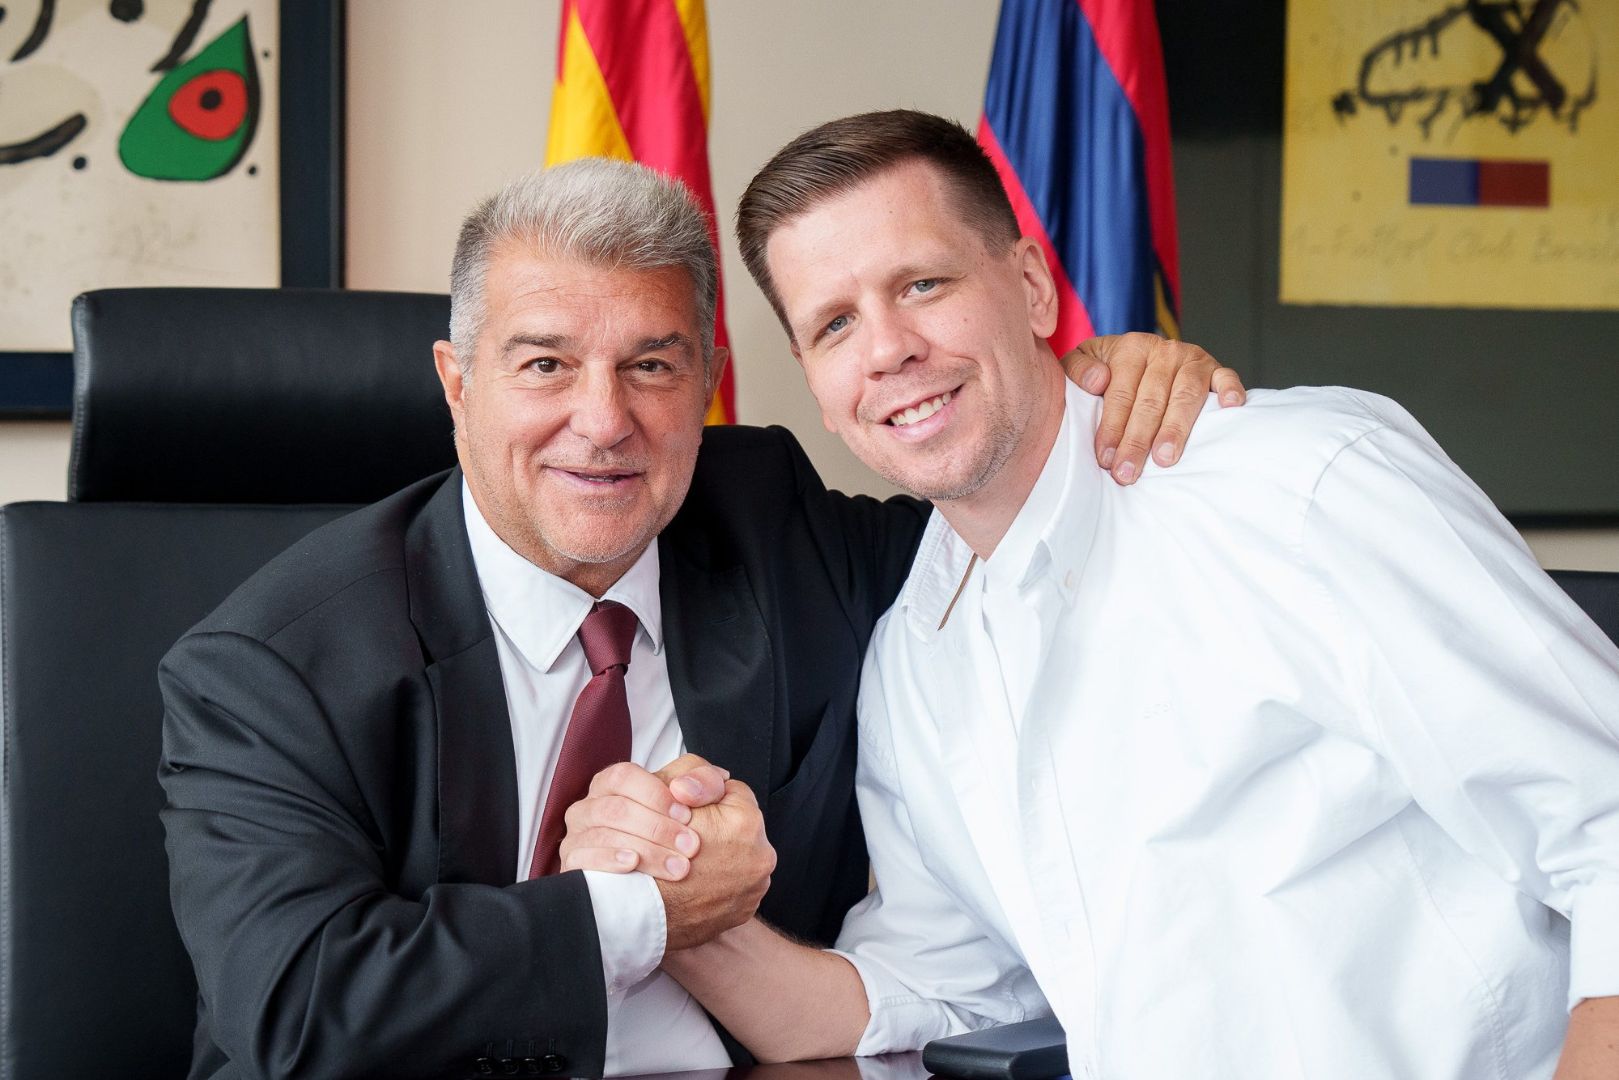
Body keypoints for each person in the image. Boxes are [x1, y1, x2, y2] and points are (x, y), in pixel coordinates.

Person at [567, 111, 1619, 1080]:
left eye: (921, 285)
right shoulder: (916, 655)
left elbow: (1605, 826)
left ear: (1028, 286)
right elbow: (929, 989)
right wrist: (671, 893)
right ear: (814, 383)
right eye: (836, 323)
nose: (887, 348)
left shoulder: (1299, 489)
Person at [156, 157, 1241, 1079]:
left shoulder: (769, 516)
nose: (602, 420)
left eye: (651, 366)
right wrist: (645, 911)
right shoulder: (270, 664)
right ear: (455, 383)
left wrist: (1102, 393)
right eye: (543, 364)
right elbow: (292, 1010)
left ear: (711, 380)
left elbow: (1010, 519)